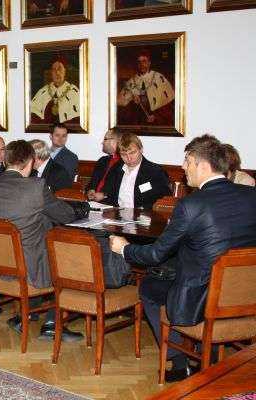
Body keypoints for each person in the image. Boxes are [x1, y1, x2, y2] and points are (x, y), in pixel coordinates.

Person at [110, 135, 256, 382]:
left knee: (149, 286)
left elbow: (155, 254)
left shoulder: (191, 205)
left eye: (187, 161)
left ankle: (180, 361)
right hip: (246, 294)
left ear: (203, 165)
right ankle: (209, 356)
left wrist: (125, 248)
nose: (182, 167)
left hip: (202, 299)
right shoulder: (251, 196)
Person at [0, 140, 83, 341]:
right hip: (30, 273)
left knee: (39, 240)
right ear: (31, 162)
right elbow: (66, 215)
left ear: (5, 161)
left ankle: (27, 315)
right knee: (70, 259)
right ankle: (52, 323)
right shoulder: (36, 187)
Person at [92, 133, 171, 209]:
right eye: (124, 154)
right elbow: (110, 194)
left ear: (141, 149)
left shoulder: (155, 172)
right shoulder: (116, 169)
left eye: (132, 153)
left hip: (143, 215)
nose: (129, 158)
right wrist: (103, 195)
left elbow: (164, 199)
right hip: (117, 214)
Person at [117, 49, 174, 126]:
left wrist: (156, 116)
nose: (141, 64)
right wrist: (132, 100)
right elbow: (121, 104)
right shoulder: (131, 81)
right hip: (138, 121)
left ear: (149, 63)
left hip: (156, 120)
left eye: (144, 61)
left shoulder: (158, 78)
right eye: (139, 62)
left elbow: (168, 104)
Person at [30, 58, 80, 124]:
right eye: (54, 69)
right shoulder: (43, 91)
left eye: (60, 69)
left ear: (65, 71)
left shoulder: (74, 91)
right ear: (51, 73)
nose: (57, 73)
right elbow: (33, 115)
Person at [87, 129, 123, 199]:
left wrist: (104, 195)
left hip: (111, 203)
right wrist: (91, 190)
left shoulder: (125, 163)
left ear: (115, 141)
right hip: (93, 202)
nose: (102, 142)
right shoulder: (102, 161)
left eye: (105, 139)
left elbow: (120, 189)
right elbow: (91, 183)